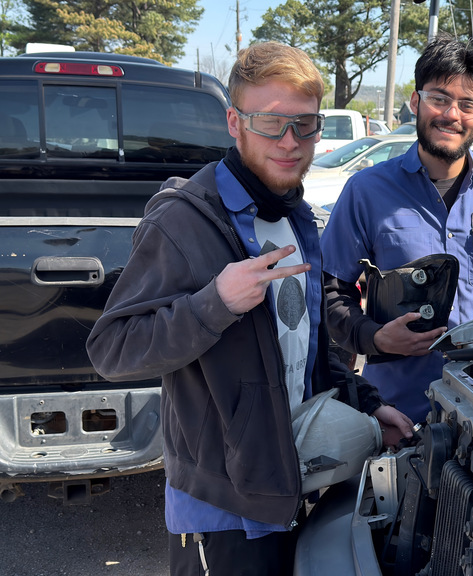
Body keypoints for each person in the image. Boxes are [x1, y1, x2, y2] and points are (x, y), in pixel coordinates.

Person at [86, 42, 414, 576]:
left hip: (287, 483)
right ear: (234, 123)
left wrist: (368, 403)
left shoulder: (297, 217)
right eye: (270, 124)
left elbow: (307, 347)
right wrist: (214, 303)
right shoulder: (183, 222)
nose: (290, 143)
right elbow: (113, 350)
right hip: (220, 512)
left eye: (305, 125)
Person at [321, 34, 473, 422]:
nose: (451, 114)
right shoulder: (367, 191)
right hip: (397, 411)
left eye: (467, 104)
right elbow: (329, 293)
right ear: (415, 102)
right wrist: (373, 337)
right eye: (439, 98)